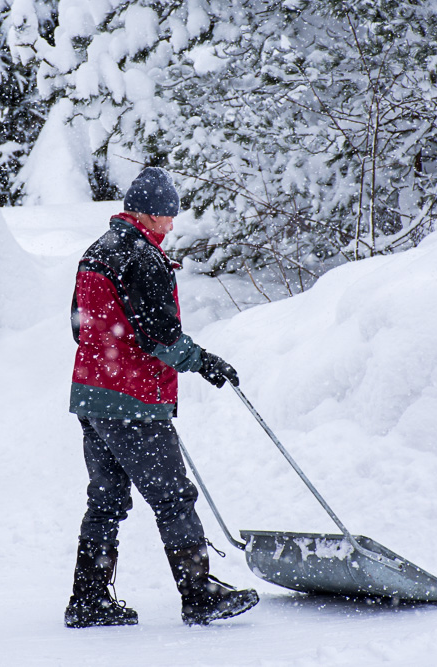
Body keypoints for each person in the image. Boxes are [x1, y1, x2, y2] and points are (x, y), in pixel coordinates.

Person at [64, 166, 259, 628]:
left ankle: (88, 599)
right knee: (174, 498)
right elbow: (162, 338)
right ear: (148, 214)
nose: (171, 226)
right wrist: (204, 361)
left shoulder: (95, 253)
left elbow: (78, 330)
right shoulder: (142, 259)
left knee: (106, 500)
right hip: (132, 403)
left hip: (92, 399)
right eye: (166, 217)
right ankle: (199, 594)